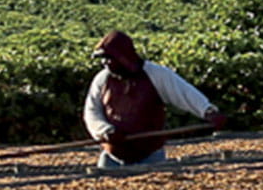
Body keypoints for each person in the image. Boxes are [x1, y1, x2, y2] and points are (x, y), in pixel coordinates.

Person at [84, 30, 225, 168]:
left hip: (150, 157)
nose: (105, 63)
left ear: (123, 58)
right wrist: (105, 131)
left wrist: (207, 111)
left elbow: (184, 92)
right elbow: (92, 111)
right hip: (112, 157)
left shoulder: (155, 74)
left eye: (109, 58)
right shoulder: (102, 79)